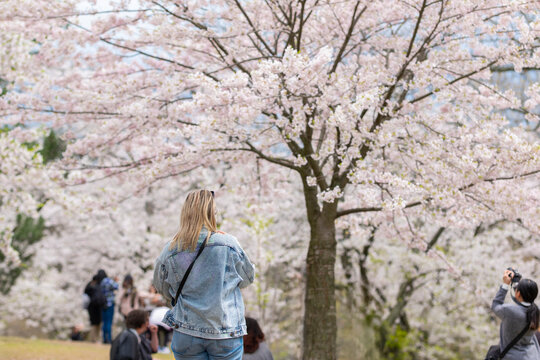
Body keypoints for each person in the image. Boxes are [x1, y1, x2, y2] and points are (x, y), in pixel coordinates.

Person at [153, 189, 255, 360]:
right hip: (224, 329)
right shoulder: (228, 244)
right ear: (212, 213)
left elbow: (160, 286)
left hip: (186, 329)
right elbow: (247, 279)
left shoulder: (171, 249)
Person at [491, 269, 540, 359]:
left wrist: (505, 285)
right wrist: (516, 283)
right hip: (532, 355)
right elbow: (525, 297)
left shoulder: (510, 311)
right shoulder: (536, 311)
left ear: (518, 293)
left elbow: (495, 305)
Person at [98, 269, 119, 344]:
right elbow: (116, 286)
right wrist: (116, 280)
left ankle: (104, 338)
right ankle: (109, 339)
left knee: (104, 322)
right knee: (109, 322)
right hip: (110, 304)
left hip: (103, 304)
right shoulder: (107, 280)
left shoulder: (100, 282)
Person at [84, 274, 106, 342]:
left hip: (92, 307)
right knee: (98, 323)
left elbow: (85, 292)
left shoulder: (90, 287)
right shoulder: (100, 287)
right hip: (99, 307)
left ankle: (93, 338)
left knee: (93, 323)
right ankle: (96, 338)